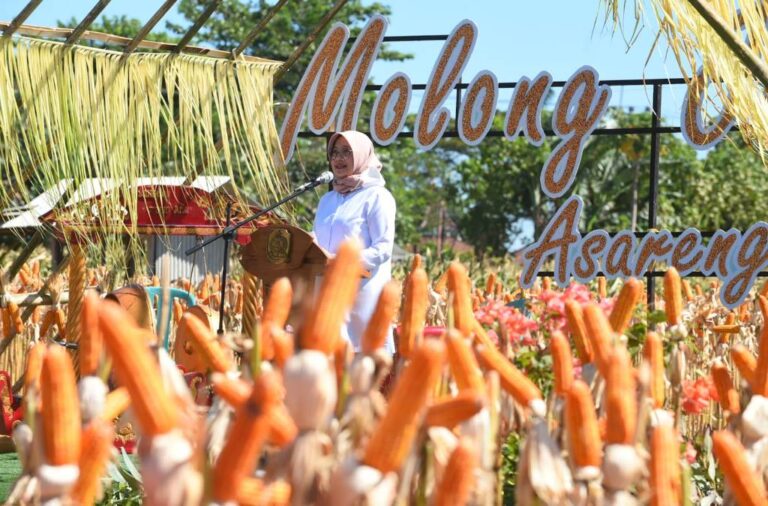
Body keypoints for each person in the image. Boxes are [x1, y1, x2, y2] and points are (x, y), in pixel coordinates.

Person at [313, 130, 396, 353]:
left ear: (361, 155)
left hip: (361, 296)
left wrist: (341, 262)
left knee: (360, 367)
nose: (338, 159)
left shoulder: (377, 196)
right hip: (327, 293)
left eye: (347, 152)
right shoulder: (327, 199)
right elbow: (317, 238)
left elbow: (383, 248)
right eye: (334, 153)